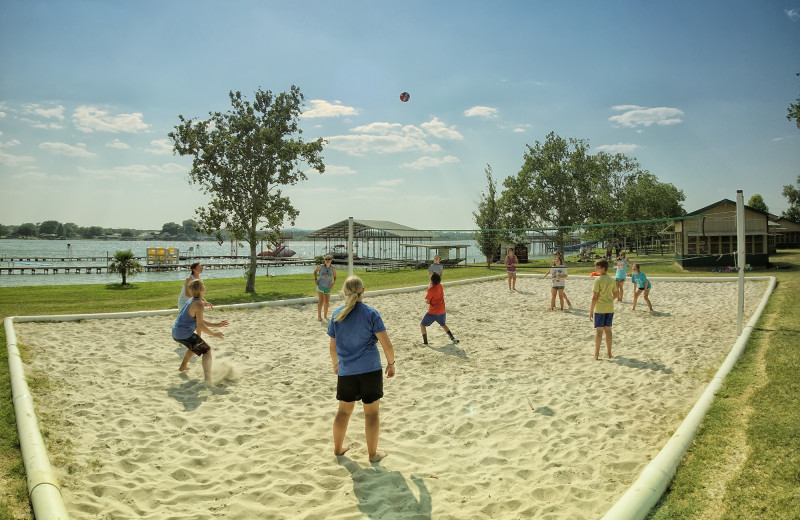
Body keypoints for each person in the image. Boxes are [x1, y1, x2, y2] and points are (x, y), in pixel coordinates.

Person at [328, 275, 395, 463]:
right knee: (371, 413)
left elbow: (332, 348)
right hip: (370, 370)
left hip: (347, 371)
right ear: (363, 291)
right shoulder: (371, 313)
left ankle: (338, 448)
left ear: (344, 292)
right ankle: (373, 455)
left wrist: (336, 364)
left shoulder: (337, 315)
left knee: (343, 412)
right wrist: (391, 364)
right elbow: (387, 345)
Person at [172, 279, 229, 382]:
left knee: (194, 345)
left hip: (177, 332)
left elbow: (199, 320)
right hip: (184, 334)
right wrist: (214, 334)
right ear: (200, 289)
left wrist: (216, 324)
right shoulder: (198, 304)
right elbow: (200, 325)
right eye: (202, 284)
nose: (204, 285)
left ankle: (183, 366)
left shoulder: (193, 300)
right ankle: (208, 379)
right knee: (206, 350)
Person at [589, 259, 619, 360]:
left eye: (597, 267)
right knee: (609, 330)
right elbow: (616, 295)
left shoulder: (597, 280)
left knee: (599, 331)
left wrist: (591, 310)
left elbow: (594, 297)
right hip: (609, 308)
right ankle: (609, 354)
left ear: (603, 268)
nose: (595, 269)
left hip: (600, 308)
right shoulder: (611, 279)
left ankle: (596, 355)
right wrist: (609, 300)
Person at [420, 272, 459, 346]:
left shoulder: (431, 289)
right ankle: (453, 338)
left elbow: (427, 302)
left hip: (433, 311)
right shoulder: (440, 286)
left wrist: (426, 300)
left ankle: (425, 342)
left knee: (422, 325)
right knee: (443, 325)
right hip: (442, 310)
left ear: (432, 280)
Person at [314, 255, 337, 321]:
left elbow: (335, 276)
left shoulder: (333, 268)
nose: (327, 260)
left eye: (329, 259)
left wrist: (333, 284)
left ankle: (325, 316)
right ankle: (319, 316)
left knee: (327, 302)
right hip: (321, 285)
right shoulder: (321, 266)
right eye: (326, 259)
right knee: (321, 301)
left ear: (331, 260)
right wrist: (315, 279)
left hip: (328, 287)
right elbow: (315, 272)